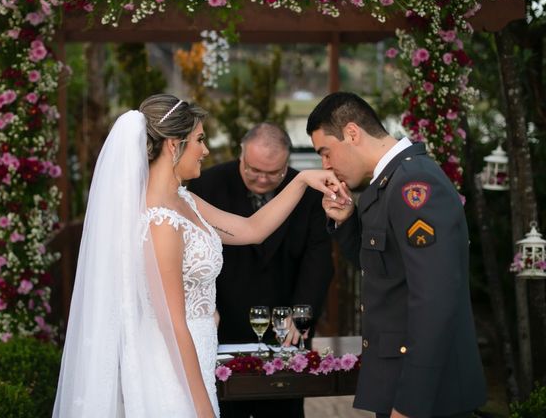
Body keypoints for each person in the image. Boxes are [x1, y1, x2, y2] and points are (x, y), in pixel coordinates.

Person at [53, 94, 346, 418]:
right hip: (171, 368)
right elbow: (172, 324)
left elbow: (252, 229)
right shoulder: (160, 221)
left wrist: (303, 180)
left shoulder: (184, 201)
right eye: (200, 139)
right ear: (172, 145)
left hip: (199, 354)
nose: (206, 150)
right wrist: (202, 406)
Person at [306, 92, 486, 418]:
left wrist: (409, 404)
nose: (326, 165)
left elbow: (434, 302)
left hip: (426, 393)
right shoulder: (388, 184)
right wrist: (347, 222)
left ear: (352, 133)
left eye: (326, 152)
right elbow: (380, 270)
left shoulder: (412, 184)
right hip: (399, 381)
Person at [188, 123, 333, 418]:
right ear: (241, 154)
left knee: (284, 408)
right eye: (254, 170)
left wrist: (300, 312)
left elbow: (318, 260)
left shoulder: (306, 192)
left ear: (287, 163)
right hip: (224, 320)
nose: (263, 179)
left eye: (274, 173)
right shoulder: (206, 185)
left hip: (285, 326)